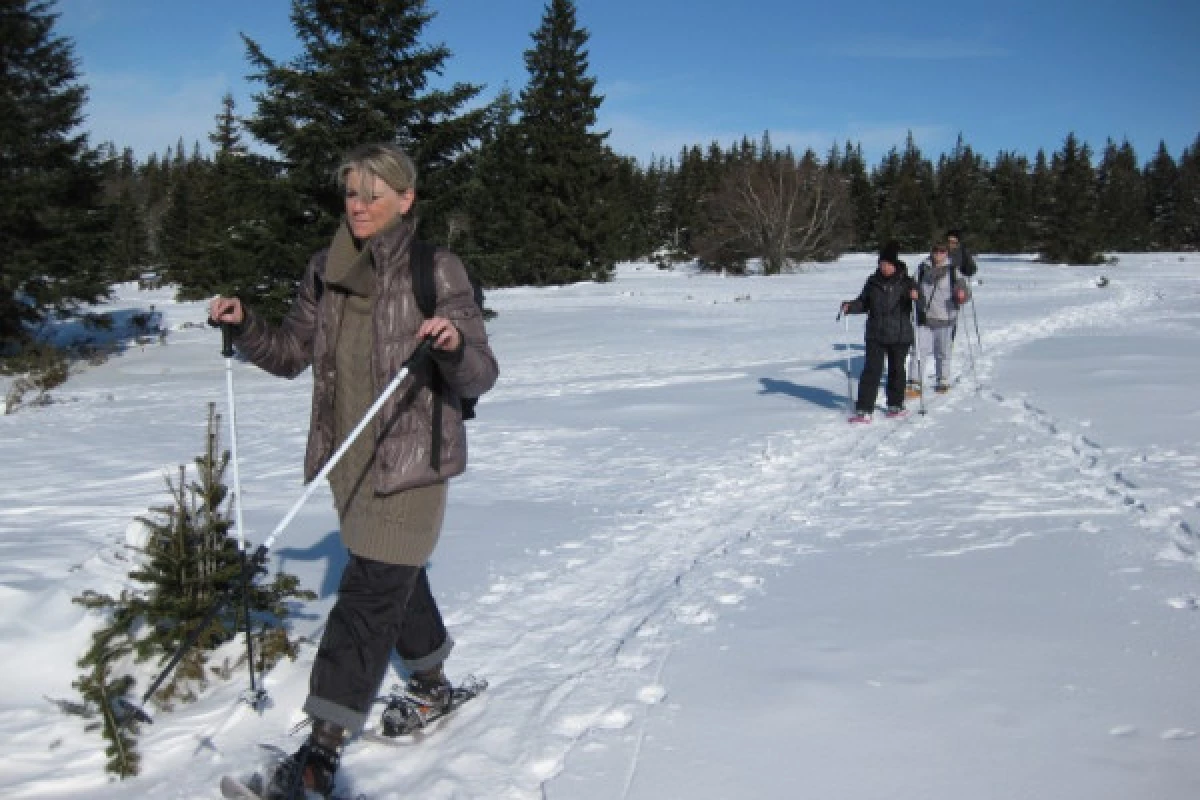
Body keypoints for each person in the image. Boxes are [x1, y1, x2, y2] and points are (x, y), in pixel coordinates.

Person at [208, 142, 499, 798]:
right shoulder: (324, 270)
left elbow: (483, 370)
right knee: (390, 575)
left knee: (366, 597)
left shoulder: (436, 268)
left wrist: (451, 347)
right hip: (347, 462)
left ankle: (316, 762)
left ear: (406, 199)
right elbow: (291, 354)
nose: (360, 205)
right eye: (351, 193)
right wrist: (247, 324)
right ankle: (430, 686)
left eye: (375, 193)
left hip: (413, 463)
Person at [840, 241, 919, 423]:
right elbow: (864, 302)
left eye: (887, 264)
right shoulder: (872, 281)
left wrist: (916, 297)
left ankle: (895, 404)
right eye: (881, 264)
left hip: (900, 334)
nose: (884, 267)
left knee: (896, 370)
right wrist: (851, 306)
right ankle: (864, 409)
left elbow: (920, 304)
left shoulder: (906, 282)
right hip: (876, 333)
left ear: (894, 264)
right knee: (871, 371)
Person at [909, 241, 970, 394]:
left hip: (945, 317)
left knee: (943, 351)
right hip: (924, 316)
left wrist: (961, 295)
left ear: (946, 253)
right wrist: (912, 291)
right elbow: (912, 284)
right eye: (936, 251)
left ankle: (942, 379)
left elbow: (965, 289)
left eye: (942, 251)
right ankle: (914, 381)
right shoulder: (922, 268)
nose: (938, 254)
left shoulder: (953, 270)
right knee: (918, 350)